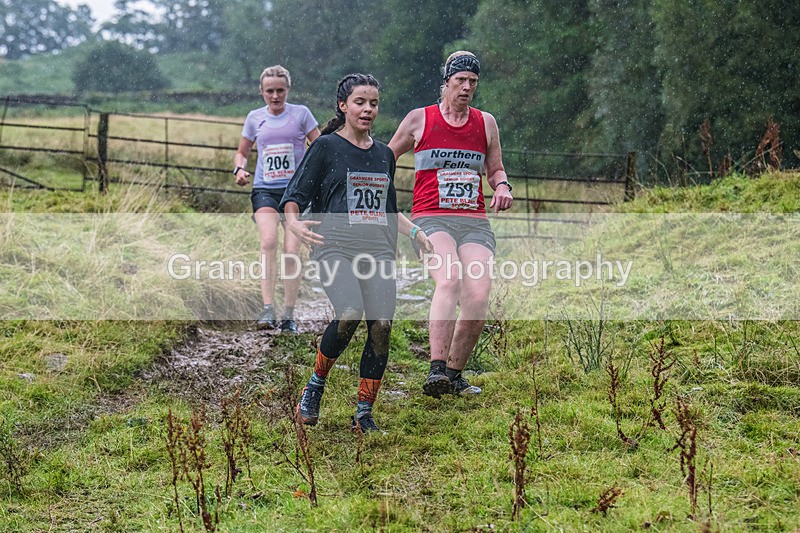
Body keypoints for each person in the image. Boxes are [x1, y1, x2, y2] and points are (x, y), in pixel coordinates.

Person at [281, 73, 433, 432]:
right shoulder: (325, 147)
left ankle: (364, 414)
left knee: (381, 326)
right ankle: (314, 387)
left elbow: (388, 209)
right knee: (349, 312)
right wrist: (294, 223)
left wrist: (415, 231)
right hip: (333, 247)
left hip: (377, 250)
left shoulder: (384, 155)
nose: (367, 109)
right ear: (343, 105)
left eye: (373, 103)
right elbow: (294, 196)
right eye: (360, 102)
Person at [388, 51, 513, 398]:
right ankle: (436, 368)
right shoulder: (419, 119)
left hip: (473, 221)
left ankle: (454, 375)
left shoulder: (485, 123)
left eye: (473, 81)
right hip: (431, 217)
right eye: (461, 80)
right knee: (450, 278)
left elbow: (495, 169)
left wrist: (502, 186)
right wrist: (377, 193)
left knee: (478, 294)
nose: (467, 87)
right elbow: (384, 158)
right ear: (446, 82)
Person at [233, 65, 320, 333]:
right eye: (269, 91)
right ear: (261, 91)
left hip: (295, 193)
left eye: (280, 90)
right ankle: (268, 308)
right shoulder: (254, 118)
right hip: (265, 190)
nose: (275, 96)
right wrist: (239, 169)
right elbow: (242, 152)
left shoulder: (301, 114)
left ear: (288, 90)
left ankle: (289, 315)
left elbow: (320, 147)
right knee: (268, 242)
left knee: (291, 252)